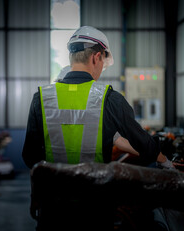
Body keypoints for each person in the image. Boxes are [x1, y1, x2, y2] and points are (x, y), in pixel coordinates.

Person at [22, 25, 174, 169]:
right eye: (103, 63)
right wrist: (166, 162)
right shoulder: (109, 99)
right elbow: (142, 143)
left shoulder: (41, 98)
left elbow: (29, 156)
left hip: (53, 195)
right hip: (94, 194)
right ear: (96, 57)